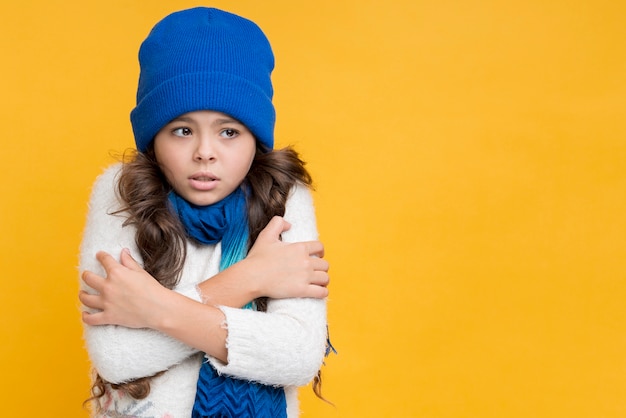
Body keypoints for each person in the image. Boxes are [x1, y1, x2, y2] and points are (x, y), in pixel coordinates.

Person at [78, 7, 331, 418]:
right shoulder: (121, 192)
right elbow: (118, 356)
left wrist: (154, 309)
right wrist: (249, 278)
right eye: (182, 130)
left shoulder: (283, 198)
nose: (205, 152)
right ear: (153, 138)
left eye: (229, 131)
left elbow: (298, 355)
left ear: (256, 139)